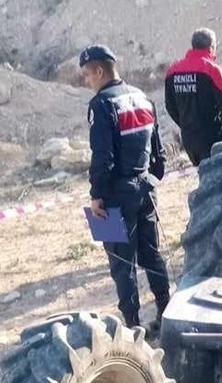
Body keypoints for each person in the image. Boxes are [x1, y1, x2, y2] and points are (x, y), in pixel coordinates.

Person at [79, 44, 172, 331]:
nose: (86, 81)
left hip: (115, 195)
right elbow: (159, 154)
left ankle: (133, 326)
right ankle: (166, 311)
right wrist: (150, 182)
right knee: (150, 253)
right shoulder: (143, 98)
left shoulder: (102, 104)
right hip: (145, 190)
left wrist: (96, 197)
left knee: (122, 262)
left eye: (87, 75)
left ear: (99, 70)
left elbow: (102, 158)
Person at [164, 28, 222, 166]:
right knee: (217, 181)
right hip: (213, 140)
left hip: (189, 140)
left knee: (203, 177)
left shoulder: (172, 71)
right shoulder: (212, 70)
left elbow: (170, 106)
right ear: (211, 47)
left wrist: (186, 124)